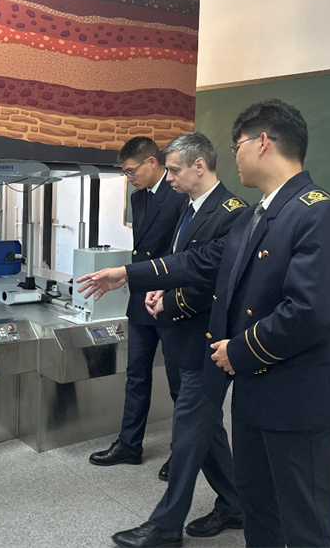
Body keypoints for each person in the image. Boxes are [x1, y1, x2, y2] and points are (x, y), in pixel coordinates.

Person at [78, 100, 330, 548]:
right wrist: (128, 275)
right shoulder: (257, 214)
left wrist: (239, 350)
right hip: (254, 392)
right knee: (260, 511)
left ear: (263, 142)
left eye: (237, 146)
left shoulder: (317, 212)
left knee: (305, 522)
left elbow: (309, 311)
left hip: (297, 396)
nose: (235, 156)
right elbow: (203, 263)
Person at [110, 132, 247, 548]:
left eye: (173, 169)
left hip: (208, 341)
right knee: (205, 429)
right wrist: (161, 290)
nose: (168, 178)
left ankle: (166, 525)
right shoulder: (190, 208)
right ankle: (235, 504)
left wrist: (168, 298)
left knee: (188, 431)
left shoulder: (233, 214)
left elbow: (211, 275)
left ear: (199, 166)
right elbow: (178, 265)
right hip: (181, 335)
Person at [89, 136, 186, 479]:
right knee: (136, 376)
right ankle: (130, 445)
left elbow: (181, 255)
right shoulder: (138, 198)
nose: (129, 178)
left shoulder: (180, 196)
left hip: (171, 299)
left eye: (131, 171)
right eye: (125, 173)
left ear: (151, 162)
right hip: (141, 298)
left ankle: (182, 453)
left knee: (178, 382)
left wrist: (165, 290)